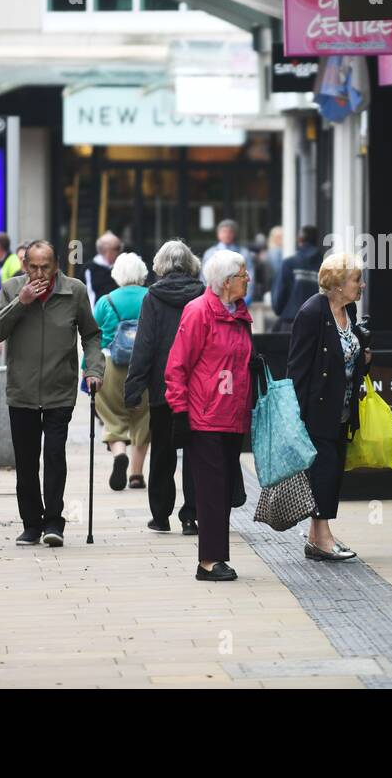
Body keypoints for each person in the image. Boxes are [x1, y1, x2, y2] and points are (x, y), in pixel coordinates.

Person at [0, 240, 103, 547]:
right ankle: (31, 524)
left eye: (45, 267)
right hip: (22, 390)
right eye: (33, 266)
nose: (39, 273)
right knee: (26, 462)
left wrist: (93, 369)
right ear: (24, 266)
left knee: (54, 456)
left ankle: (54, 522)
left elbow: (91, 334)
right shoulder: (12, 289)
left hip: (59, 388)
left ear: (56, 266)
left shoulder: (74, 291)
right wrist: (20, 302)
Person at [165, 250, 253, 581]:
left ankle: (217, 557)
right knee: (212, 490)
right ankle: (209, 562)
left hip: (232, 414)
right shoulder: (199, 311)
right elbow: (177, 366)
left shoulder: (240, 314)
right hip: (205, 417)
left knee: (225, 488)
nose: (248, 279)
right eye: (244, 274)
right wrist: (179, 411)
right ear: (227, 281)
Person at [288, 252, 372, 562]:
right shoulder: (311, 313)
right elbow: (297, 367)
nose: (361, 285)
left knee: (332, 470)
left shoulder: (348, 308)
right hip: (317, 410)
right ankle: (322, 539)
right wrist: (296, 418)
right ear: (336, 285)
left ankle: (316, 537)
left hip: (343, 409)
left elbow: (350, 351)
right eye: (355, 280)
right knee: (323, 471)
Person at [124, 241, 205, 534]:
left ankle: (160, 516)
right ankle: (191, 516)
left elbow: (144, 345)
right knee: (195, 452)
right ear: (191, 264)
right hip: (198, 386)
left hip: (163, 386)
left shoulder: (153, 297)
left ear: (160, 266)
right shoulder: (203, 294)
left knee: (162, 451)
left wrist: (133, 388)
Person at [91, 252, 151, 493]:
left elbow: (92, 336)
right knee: (143, 418)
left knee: (113, 417)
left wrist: (88, 368)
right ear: (142, 273)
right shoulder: (151, 297)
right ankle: (136, 475)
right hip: (144, 366)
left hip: (109, 366)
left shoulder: (106, 301)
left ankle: (118, 454)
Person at [271, 225, 323, 333]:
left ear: (300, 240)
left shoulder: (289, 263)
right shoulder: (325, 265)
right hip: (318, 324)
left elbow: (279, 297)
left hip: (292, 322)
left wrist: (282, 311)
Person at [202, 219, 256, 304]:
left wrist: (247, 297)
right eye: (224, 231)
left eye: (230, 232)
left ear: (234, 234)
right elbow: (204, 277)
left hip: (237, 299)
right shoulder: (210, 253)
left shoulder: (244, 253)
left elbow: (250, 276)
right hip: (215, 299)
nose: (227, 235)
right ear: (218, 234)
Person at [84, 231, 122, 307]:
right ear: (106, 250)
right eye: (117, 248)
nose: (120, 251)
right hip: (96, 314)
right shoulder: (89, 269)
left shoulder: (122, 266)